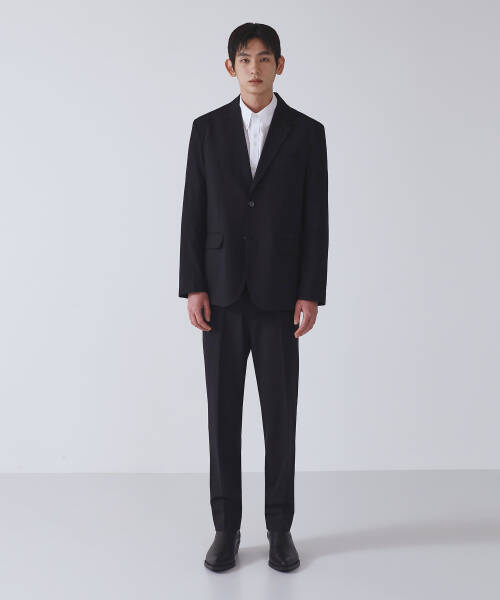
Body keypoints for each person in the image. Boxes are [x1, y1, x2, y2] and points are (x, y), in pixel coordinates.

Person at [178, 22, 329, 572]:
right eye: (245, 59)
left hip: (279, 297)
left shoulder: (307, 133)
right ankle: (226, 529)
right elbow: (194, 210)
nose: (255, 68)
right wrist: (193, 284)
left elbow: (316, 218)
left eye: (265, 59)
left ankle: (280, 529)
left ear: (280, 66)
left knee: (279, 417)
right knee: (222, 416)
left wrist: (310, 292)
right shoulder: (206, 130)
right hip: (219, 295)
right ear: (231, 67)